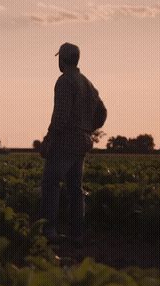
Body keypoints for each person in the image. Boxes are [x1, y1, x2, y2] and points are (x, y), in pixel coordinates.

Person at [38, 42, 106, 245]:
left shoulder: (65, 81)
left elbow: (61, 115)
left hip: (65, 142)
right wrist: (87, 129)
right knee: (75, 188)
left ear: (62, 60)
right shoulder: (87, 83)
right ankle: (77, 234)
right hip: (82, 143)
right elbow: (102, 113)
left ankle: (49, 231)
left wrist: (49, 139)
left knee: (50, 184)